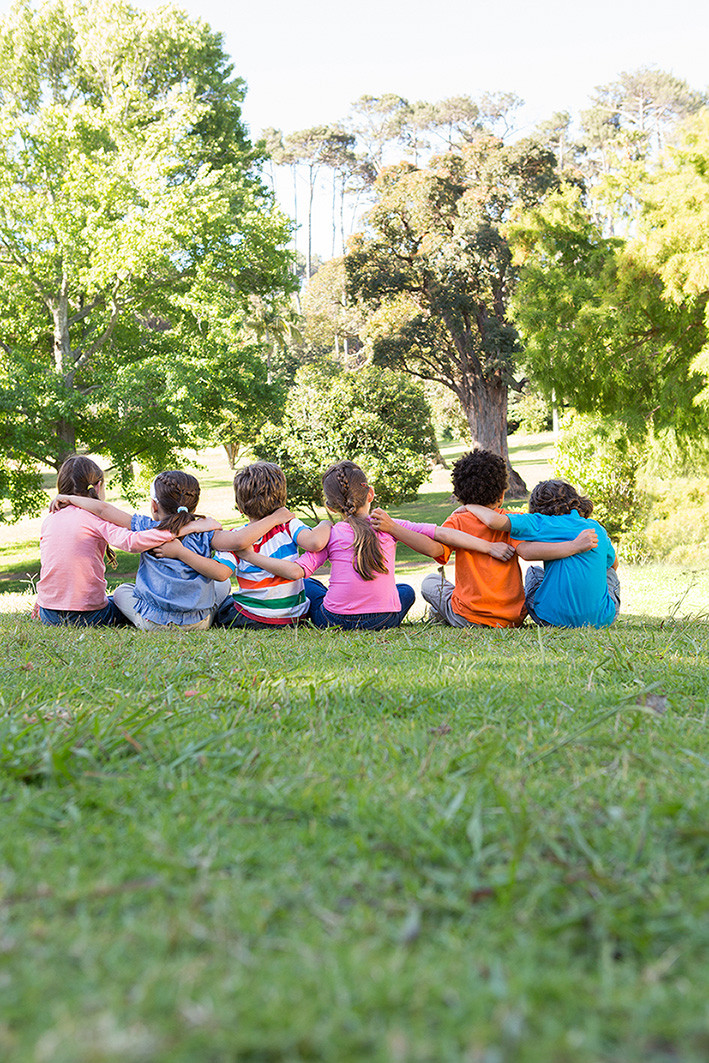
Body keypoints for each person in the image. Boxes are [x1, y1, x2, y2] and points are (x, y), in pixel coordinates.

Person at [236, 460, 515, 631]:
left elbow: (297, 571)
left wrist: (250, 555)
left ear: (331, 505)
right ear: (370, 493)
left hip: (337, 621)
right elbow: (440, 541)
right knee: (405, 592)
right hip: (386, 619)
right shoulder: (388, 523)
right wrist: (488, 547)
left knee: (308, 588)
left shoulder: (333, 533)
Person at [51, 470, 291, 631]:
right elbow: (239, 541)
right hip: (199, 622)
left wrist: (70, 499)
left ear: (154, 505)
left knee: (124, 590)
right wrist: (275, 518)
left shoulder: (146, 527)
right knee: (223, 586)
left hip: (151, 622)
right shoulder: (206, 531)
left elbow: (103, 510)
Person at [410, 449, 599, 629]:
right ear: (501, 495)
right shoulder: (511, 521)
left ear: (460, 495)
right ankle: (441, 612)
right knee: (533, 573)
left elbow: (438, 552)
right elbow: (528, 550)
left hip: (467, 617)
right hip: (511, 618)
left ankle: (439, 613)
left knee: (430, 582)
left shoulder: (456, 520)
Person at [37, 455, 175, 626]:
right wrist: (170, 531)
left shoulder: (50, 519)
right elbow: (131, 542)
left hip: (48, 613)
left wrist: (41, 602)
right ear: (98, 486)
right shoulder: (93, 518)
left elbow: (51, 565)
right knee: (125, 600)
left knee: (112, 599)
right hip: (88, 615)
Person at [465, 478, 620, 628]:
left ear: (536, 508)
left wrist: (470, 506)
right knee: (609, 571)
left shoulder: (539, 522)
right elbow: (613, 565)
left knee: (533, 573)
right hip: (601, 620)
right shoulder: (596, 528)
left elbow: (493, 521)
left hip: (549, 619)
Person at [209, 461, 332, 629]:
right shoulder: (290, 525)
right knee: (311, 584)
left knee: (225, 604)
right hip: (294, 617)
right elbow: (315, 542)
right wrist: (325, 523)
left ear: (240, 508)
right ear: (282, 499)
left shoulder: (235, 536)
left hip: (250, 617)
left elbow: (222, 572)